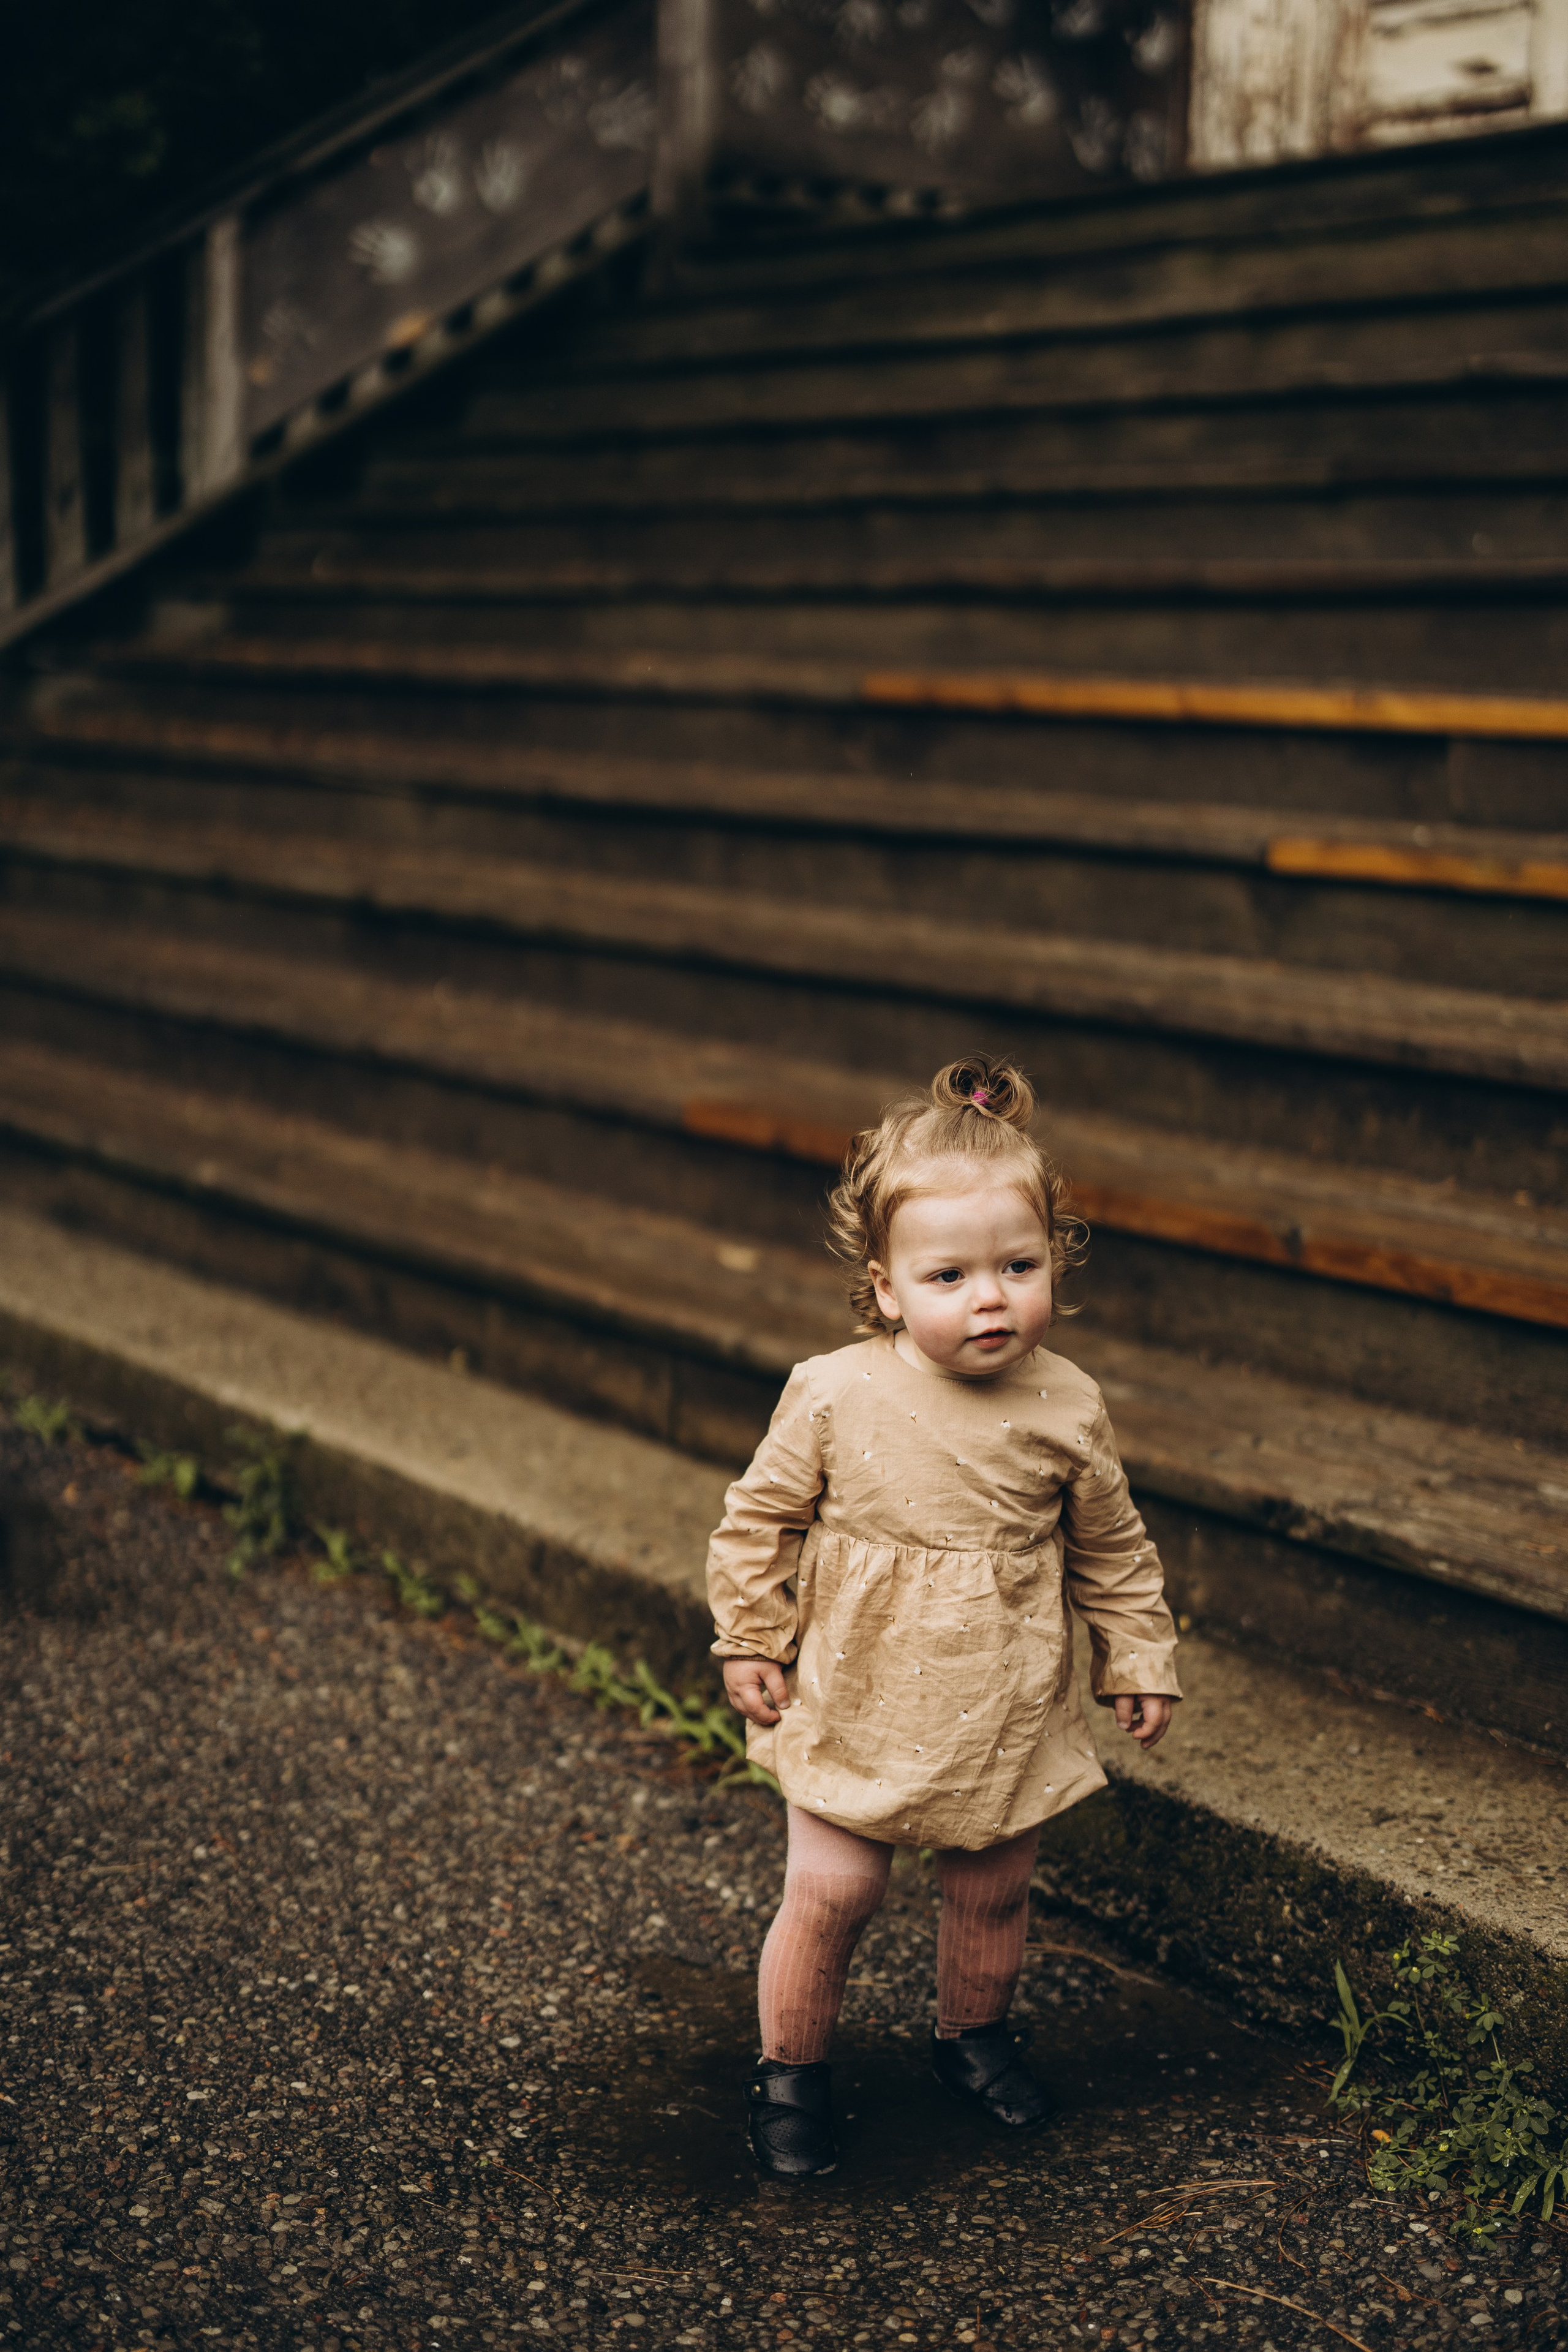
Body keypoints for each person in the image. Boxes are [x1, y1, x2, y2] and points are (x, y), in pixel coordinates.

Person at [706, 1052, 1181, 2178]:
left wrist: (1138, 1653)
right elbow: (757, 1520)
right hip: (860, 1684)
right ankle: (791, 2073)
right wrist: (749, 1634)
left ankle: (972, 2038)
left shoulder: (1067, 1404)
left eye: (1018, 1266)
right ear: (885, 1287)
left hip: (1000, 1695)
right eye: (949, 1275)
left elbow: (1110, 1546)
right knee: (834, 1888)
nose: (989, 1297)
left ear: (1054, 1264)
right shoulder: (832, 1391)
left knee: (993, 1885)